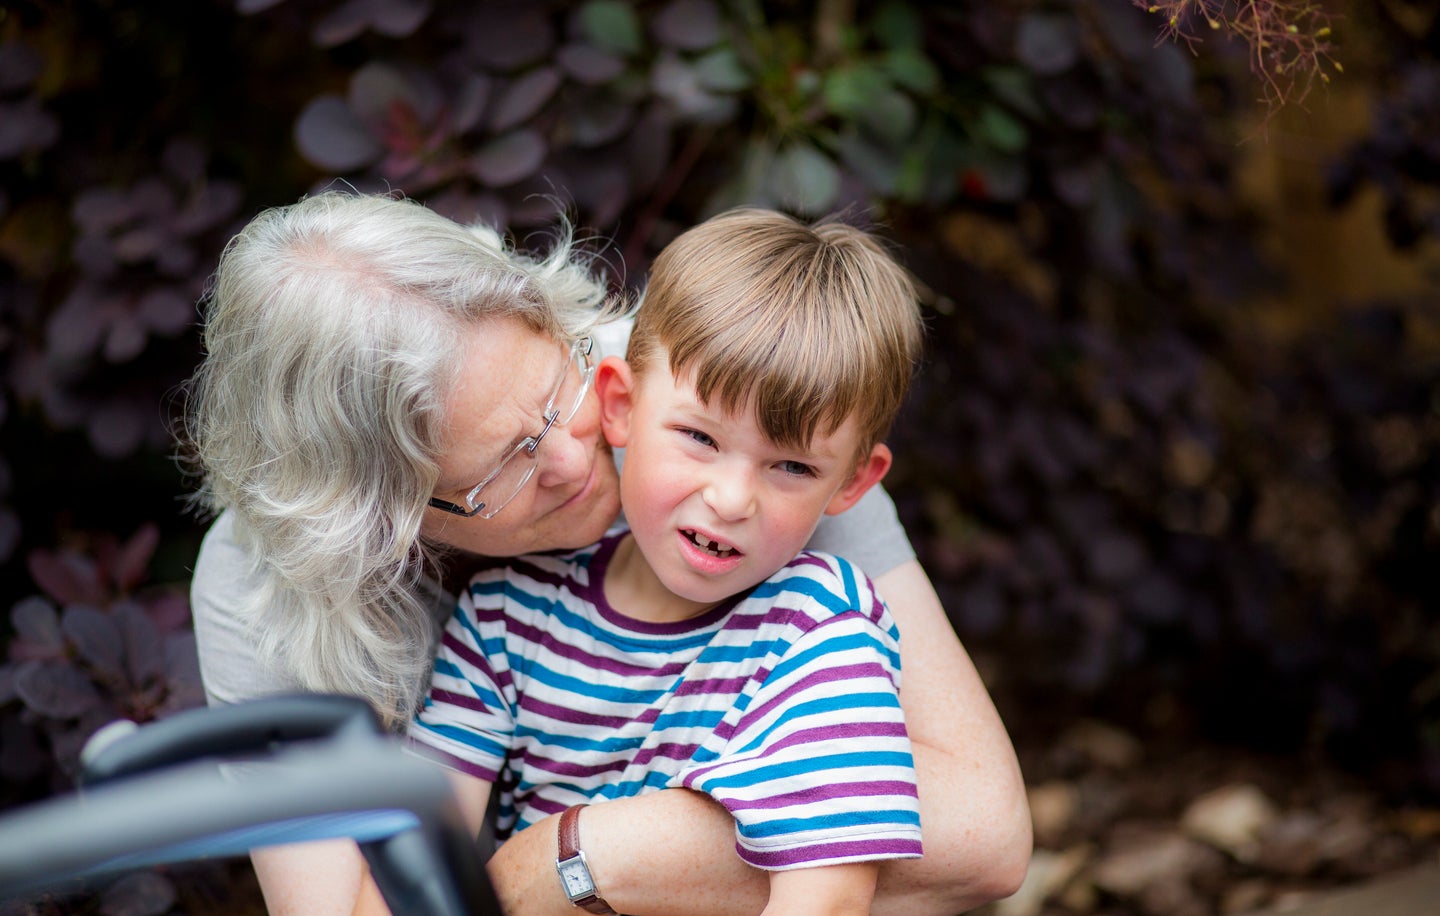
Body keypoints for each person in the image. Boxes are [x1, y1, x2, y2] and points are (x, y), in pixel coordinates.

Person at [184, 190, 1031, 916]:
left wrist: (572, 856)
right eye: (506, 463)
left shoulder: (735, 397)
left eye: (558, 392)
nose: (573, 457)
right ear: (383, 518)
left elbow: (982, 835)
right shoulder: (279, 589)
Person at [408, 209, 926, 915]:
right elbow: (415, 864)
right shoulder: (507, 617)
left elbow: (826, 900)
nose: (731, 497)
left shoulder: (817, 630)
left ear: (851, 485)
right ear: (619, 405)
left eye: (792, 467)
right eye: (699, 437)